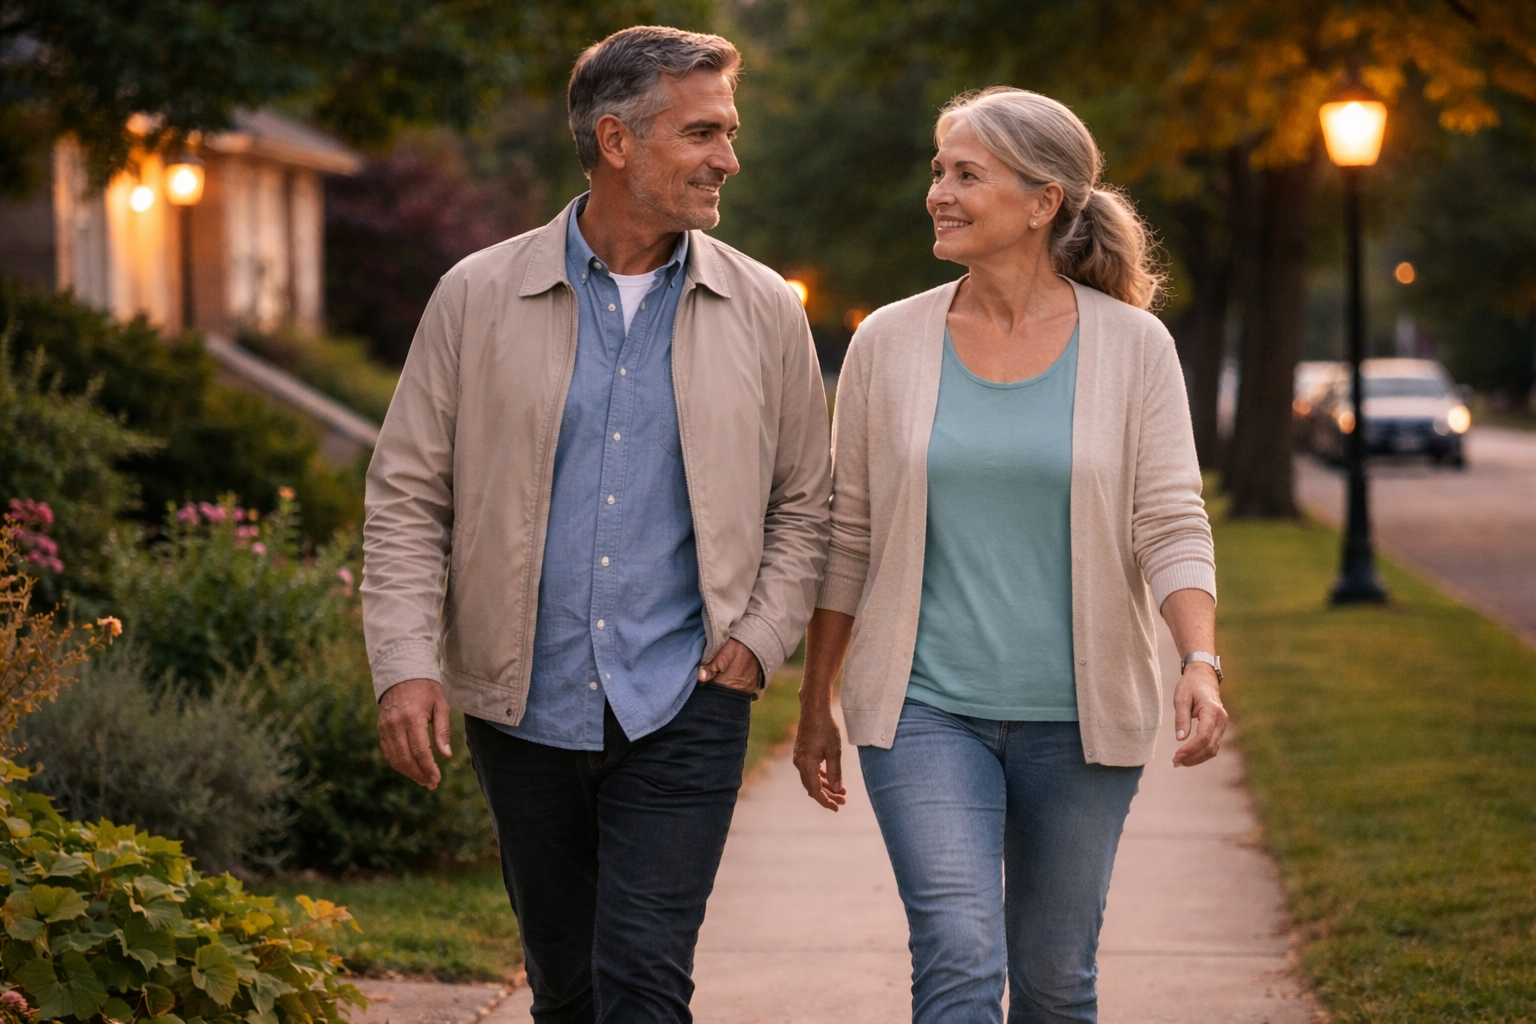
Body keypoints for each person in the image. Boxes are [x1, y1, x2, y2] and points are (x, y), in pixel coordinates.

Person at [360, 26, 831, 1024]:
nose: (728, 160)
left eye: (730, 132)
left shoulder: (761, 310)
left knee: (643, 982)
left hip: (688, 699)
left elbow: (805, 501)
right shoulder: (477, 297)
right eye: (703, 133)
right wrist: (407, 662)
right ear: (617, 141)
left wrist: (758, 638)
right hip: (521, 701)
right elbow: (408, 495)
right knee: (567, 987)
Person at [792, 87, 1227, 1024]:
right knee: (957, 954)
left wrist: (1199, 660)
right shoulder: (887, 341)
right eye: (938, 171)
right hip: (923, 711)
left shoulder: (1134, 347)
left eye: (965, 174)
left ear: (1044, 203)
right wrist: (815, 701)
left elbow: (1171, 520)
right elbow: (850, 534)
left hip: (1082, 721)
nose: (938, 193)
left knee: (1053, 983)